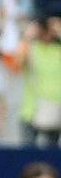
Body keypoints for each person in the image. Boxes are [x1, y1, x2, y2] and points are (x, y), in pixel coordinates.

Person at [15, 15, 61, 147]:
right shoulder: (32, 48)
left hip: (55, 108)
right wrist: (28, 36)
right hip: (31, 109)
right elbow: (18, 62)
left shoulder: (58, 50)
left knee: (52, 152)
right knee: (27, 150)